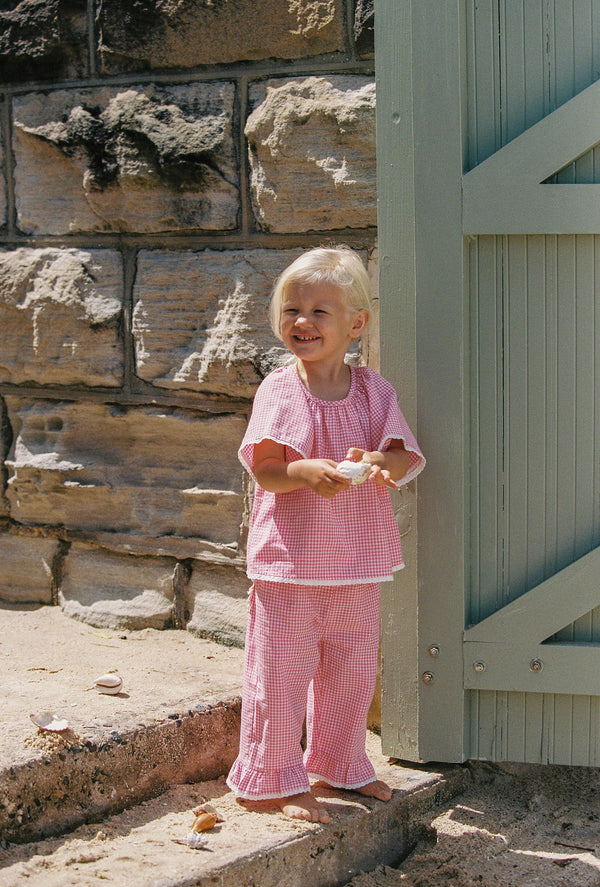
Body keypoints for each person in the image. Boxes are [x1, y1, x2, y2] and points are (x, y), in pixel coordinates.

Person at [226, 246, 425, 824]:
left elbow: (401, 457)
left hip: (356, 563)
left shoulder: (374, 392)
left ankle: (339, 763)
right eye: (292, 310)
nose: (302, 322)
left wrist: (379, 461)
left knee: (353, 667)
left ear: (356, 325)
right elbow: (263, 468)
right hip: (289, 564)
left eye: (320, 311)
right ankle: (271, 777)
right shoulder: (279, 391)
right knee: (279, 672)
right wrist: (302, 472)